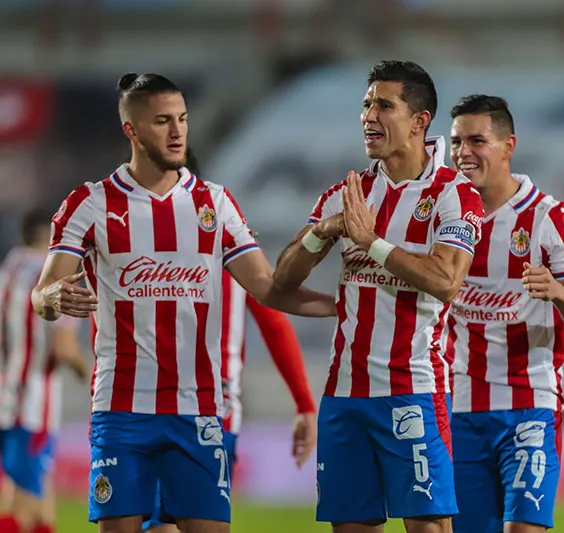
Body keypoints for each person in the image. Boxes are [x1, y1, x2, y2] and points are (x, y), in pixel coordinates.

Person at [30, 73, 335, 533]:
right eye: (162, 121)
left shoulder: (215, 203)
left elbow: (269, 290)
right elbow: (43, 294)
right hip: (122, 411)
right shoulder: (89, 205)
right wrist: (52, 297)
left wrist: (344, 303)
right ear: (131, 130)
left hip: (199, 411)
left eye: (182, 119)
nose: (177, 132)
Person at [273, 60, 484, 533]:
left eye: (383, 105)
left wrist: (373, 243)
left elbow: (446, 279)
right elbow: (282, 279)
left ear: (419, 120)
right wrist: (324, 232)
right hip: (344, 395)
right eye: (366, 104)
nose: (369, 115)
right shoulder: (346, 194)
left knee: (428, 526)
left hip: (412, 391)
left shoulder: (454, 195)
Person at [142, 151, 318, 533]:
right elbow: (274, 321)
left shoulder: (153, 244)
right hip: (203, 406)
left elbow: (273, 321)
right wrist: (304, 402)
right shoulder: (230, 240)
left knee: (164, 523)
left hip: (173, 402)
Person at [445, 95, 564, 533]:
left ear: (508, 145)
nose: (463, 153)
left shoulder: (550, 218)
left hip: (529, 408)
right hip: (460, 408)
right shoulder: (445, 215)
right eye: (457, 142)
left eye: (477, 140)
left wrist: (557, 292)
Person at [0, 208, 90, 533]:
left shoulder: (8, 270)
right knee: (29, 501)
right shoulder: (51, 280)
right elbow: (64, 348)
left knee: (22, 492)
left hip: (6, 395)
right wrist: (91, 376)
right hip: (34, 402)